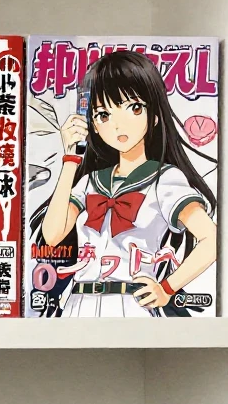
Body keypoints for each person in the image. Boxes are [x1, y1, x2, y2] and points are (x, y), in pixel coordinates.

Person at [32, 49, 217, 317]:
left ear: (154, 116)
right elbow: (52, 235)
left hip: (131, 303)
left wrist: (166, 288)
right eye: (104, 115)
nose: (118, 124)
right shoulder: (90, 182)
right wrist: (71, 158)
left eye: (134, 108)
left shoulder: (164, 180)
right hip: (79, 302)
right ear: (93, 125)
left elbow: (211, 239)